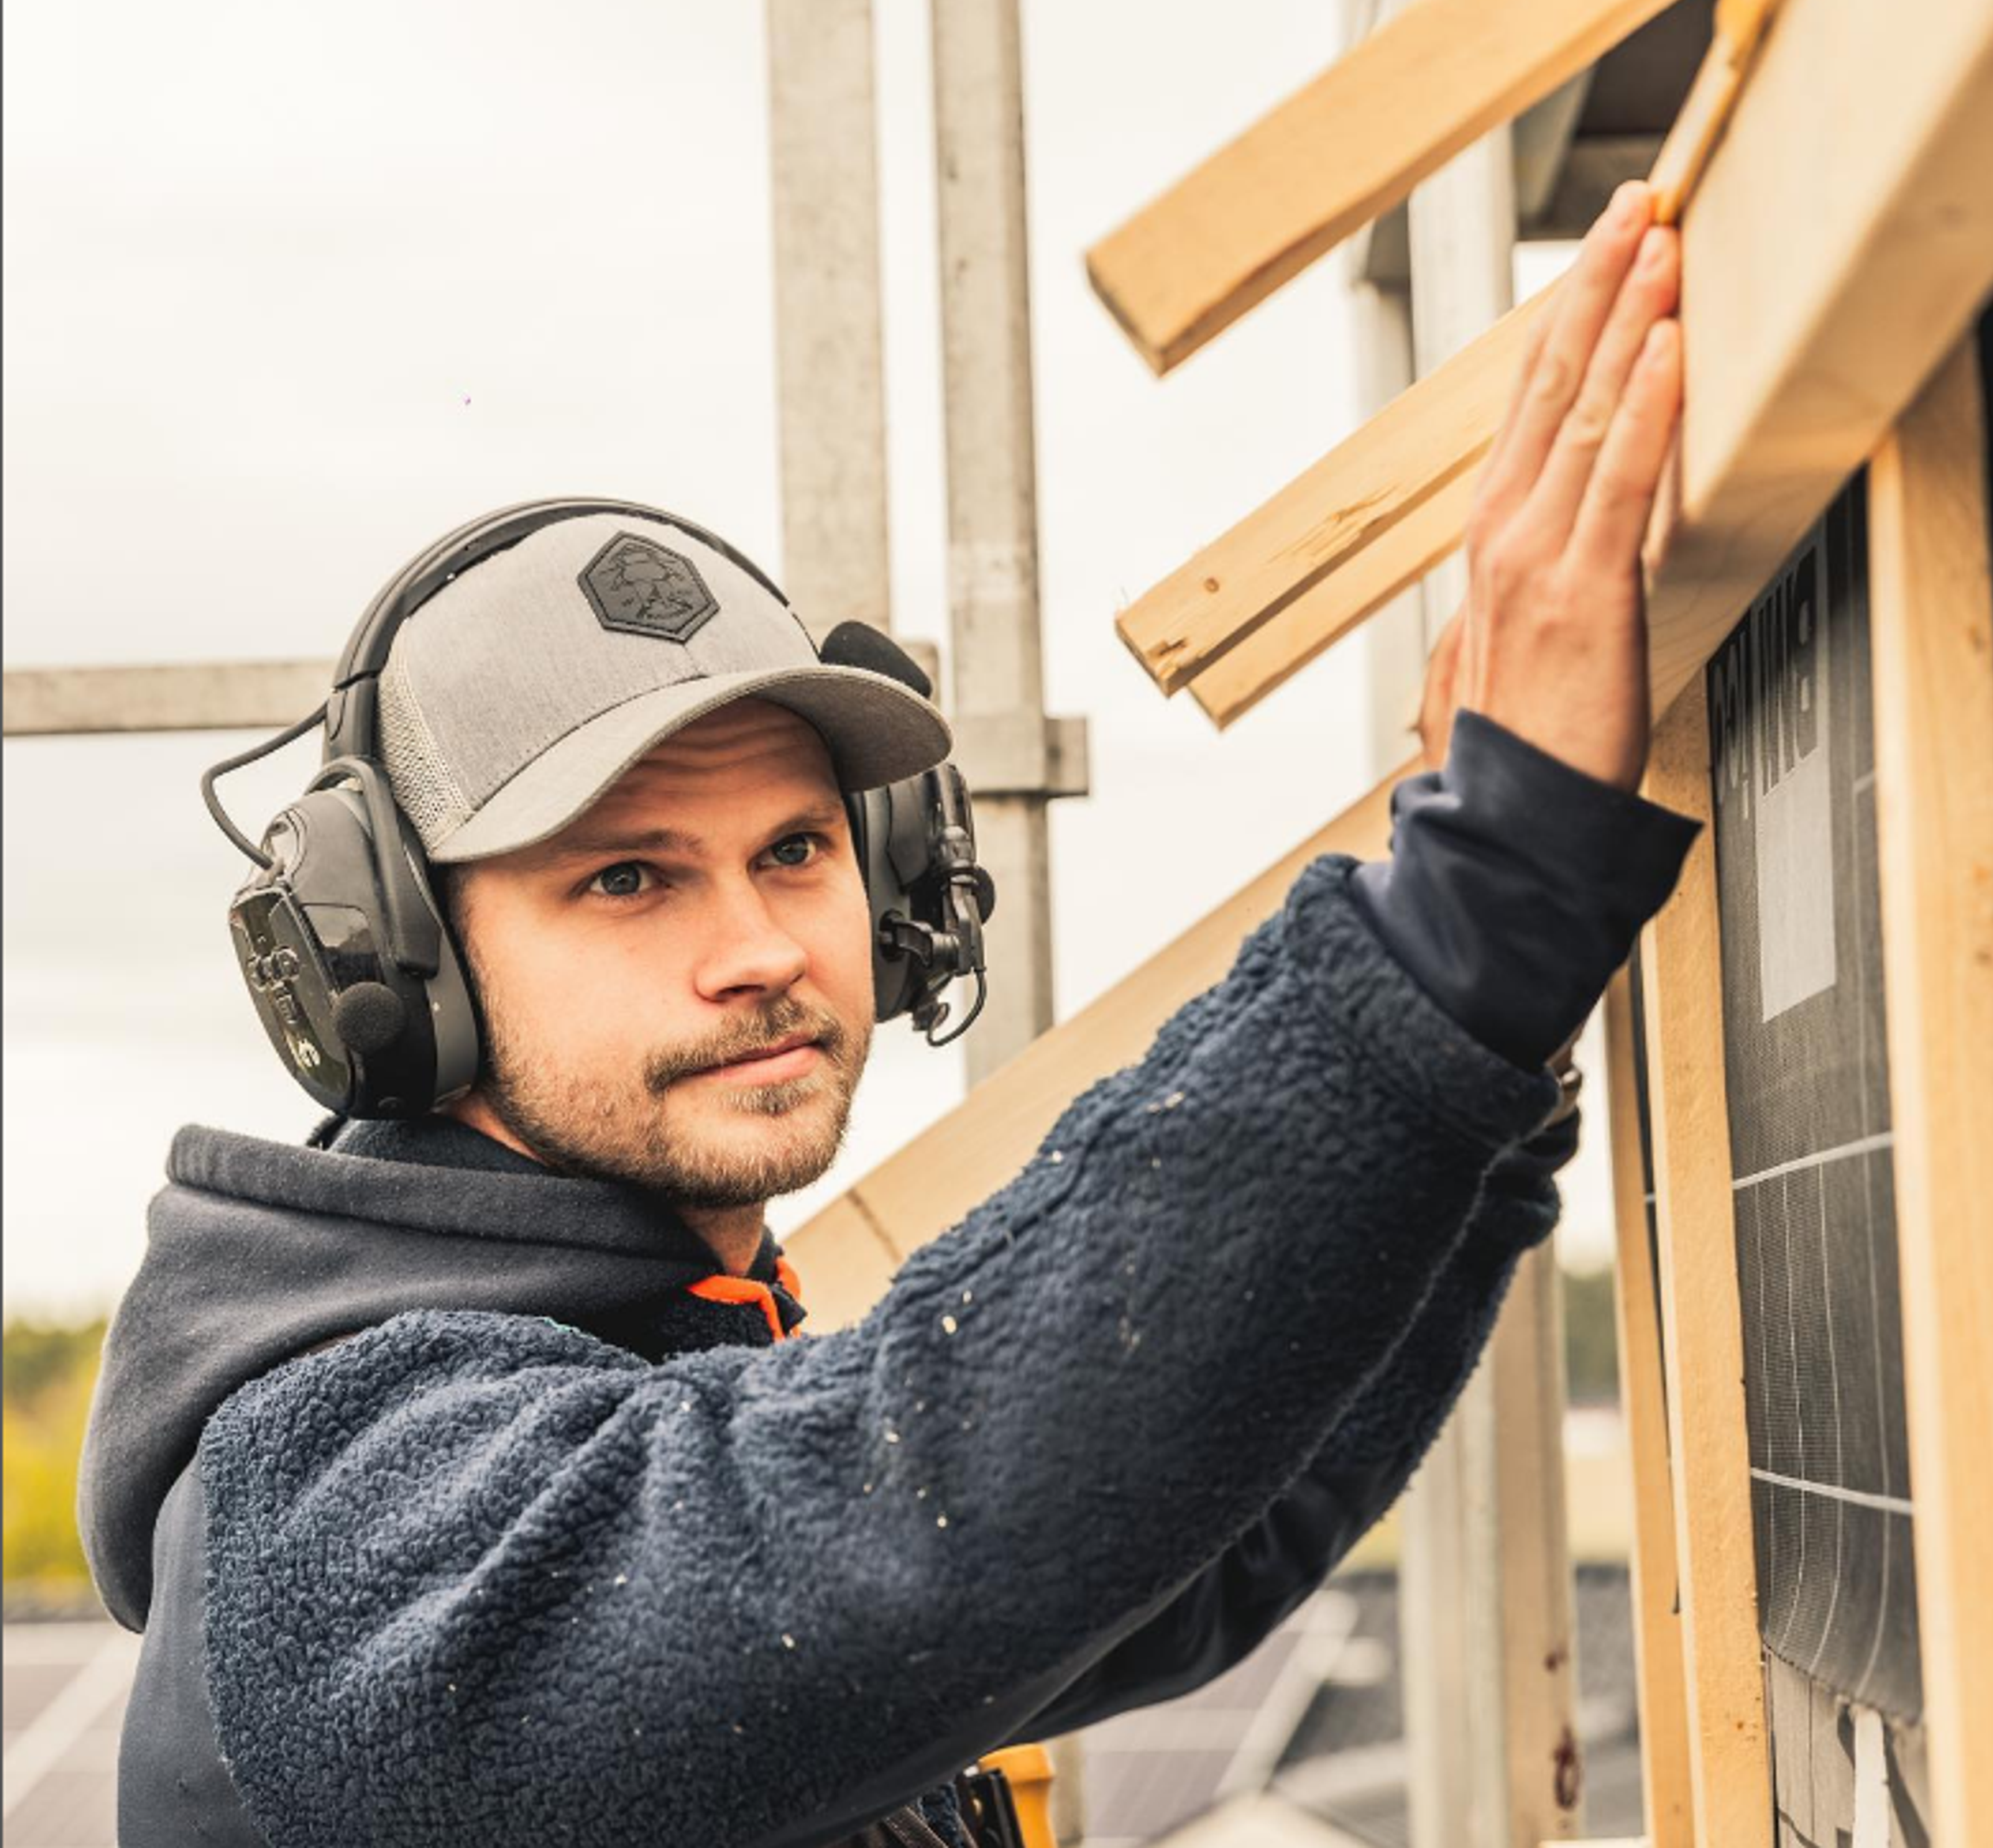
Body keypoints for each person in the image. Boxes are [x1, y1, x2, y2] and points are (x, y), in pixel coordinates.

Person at [78, 182, 1697, 1848]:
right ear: (394, 965)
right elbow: (892, 1522)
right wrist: (1480, 898)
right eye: (628, 879)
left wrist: (1488, 1034)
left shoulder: (661, 1341)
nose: (758, 947)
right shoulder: (343, 1518)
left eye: (793, 850)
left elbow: (1189, 1535)